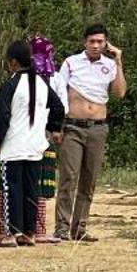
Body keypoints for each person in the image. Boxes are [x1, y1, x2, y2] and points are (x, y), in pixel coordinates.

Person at [53, 24, 126, 242]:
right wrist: (57, 126)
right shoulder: (71, 63)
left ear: (106, 44)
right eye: (92, 41)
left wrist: (118, 61)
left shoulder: (109, 65)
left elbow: (120, 92)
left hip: (98, 127)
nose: (96, 45)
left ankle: (80, 227)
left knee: (89, 179)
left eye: (100, 41)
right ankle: (62, 227)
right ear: (85, 42)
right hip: (73, 126)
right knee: (69, 177)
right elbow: (58, 94)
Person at [0, 40, 64, 248]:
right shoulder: (42, 84)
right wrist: (54, 127)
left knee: (10, 189)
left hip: (14, 147)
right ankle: (29, 233)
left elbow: (2, 117)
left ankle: (9, 234)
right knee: (31, 189)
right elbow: (58, 107)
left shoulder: (10, 85)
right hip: (35, 147)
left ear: (13, 62)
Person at [29, 36, 60, 242]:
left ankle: (36, 230)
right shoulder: (24, 79)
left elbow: (59, 107)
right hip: (33, 137)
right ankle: (30, 229)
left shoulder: (54, 79)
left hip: (40, 137)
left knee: (39, 185)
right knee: (32, 184)